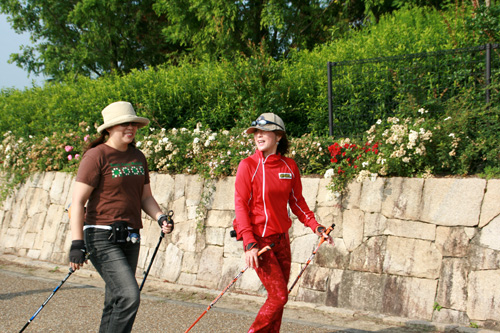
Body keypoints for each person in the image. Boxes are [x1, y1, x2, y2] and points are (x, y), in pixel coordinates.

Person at [68, 101, 174, 333]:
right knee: (128, 296)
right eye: (124, 124)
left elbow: (146, 197)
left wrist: (160, 217)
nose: (131, 128)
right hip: (100, 236)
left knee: (116, 300)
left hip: (130, 236)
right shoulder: (96, 156)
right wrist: (77, 243)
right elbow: (77, 203)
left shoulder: (138, 157)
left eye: (133, 124)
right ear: (109, 128)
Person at [233, 113, 334, 333]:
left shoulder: (289, 167)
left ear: (278, 136)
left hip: (282, 241)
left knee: (279, 301)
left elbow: (298, 203)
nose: (258, 136)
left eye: (264, 131)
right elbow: (240, 207)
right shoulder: (247, 166)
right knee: (279, 296)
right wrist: (249, 244)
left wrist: (317, 227)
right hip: (259, 242)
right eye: (256, 132)